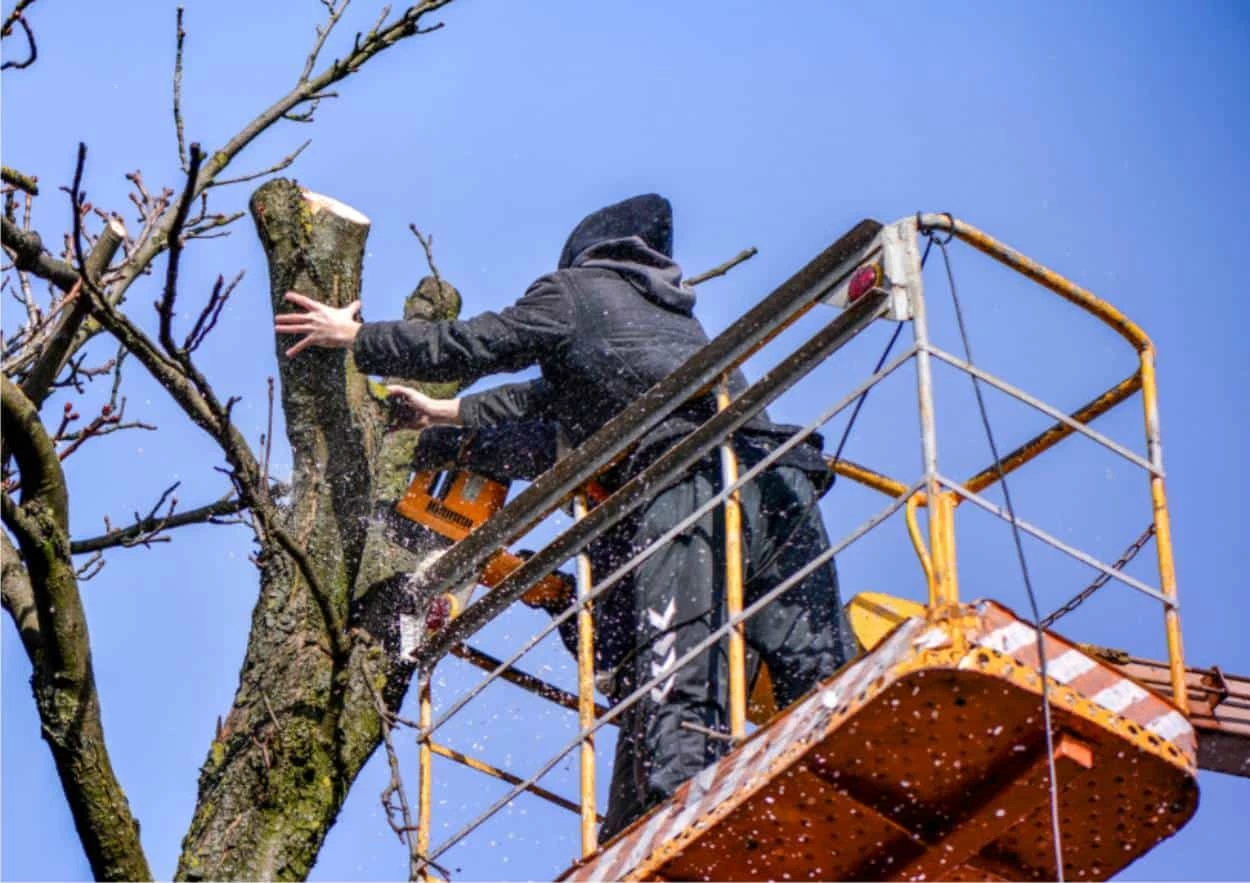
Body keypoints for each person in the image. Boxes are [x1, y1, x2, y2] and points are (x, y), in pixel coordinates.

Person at [275, 193, 855, 839]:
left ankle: (663, 827)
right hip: (778, 476)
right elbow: (550, 398)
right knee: (818, 664)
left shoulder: (574, 290)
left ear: (582, 252)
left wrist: (357, 336)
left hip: (689, 482)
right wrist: (443, 416)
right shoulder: (670, 322)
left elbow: (472, 345)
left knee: (675, 676)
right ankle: (854, 788)